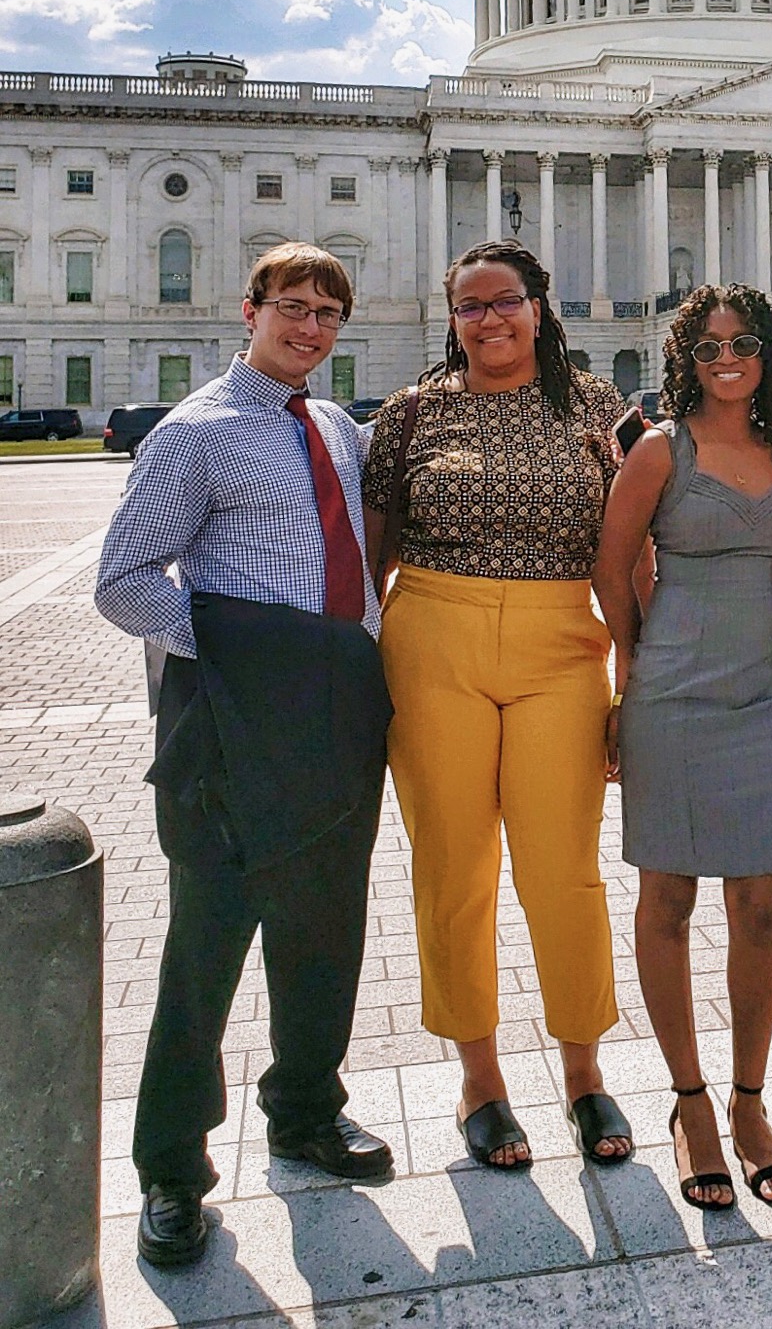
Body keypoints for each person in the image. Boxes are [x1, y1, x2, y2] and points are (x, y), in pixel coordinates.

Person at [96, 244, 395, 1270]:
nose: (309, 327)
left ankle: (306, 1109)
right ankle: (172, 1170)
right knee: (204, 948)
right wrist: (232, 656)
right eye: (293, 308)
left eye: (326, 314)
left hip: (336, 713)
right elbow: (124, 577)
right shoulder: (194, 435)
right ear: (251, 309)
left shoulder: (335, 427)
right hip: (231, 718)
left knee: (325, 928)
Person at [362, 242, 632, 1173]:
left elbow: (631, 557)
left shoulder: (599, 408)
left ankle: (584, 1070)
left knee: (564, 868)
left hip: (563, 641)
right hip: (432, 636)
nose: (489, 320)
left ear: (539, 306)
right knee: (453, 864)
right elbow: (374, 549)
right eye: (470, 306)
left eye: (505, 301)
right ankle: (480, 1078)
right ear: (452, 319)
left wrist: (634, 684)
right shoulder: (410, 414)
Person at [593, 286, 772, 1211]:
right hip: (670, 692)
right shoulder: (657, 449)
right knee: (668, 897)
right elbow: (611, 565)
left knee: (760, 905)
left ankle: (751, 1100)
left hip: (769, 691)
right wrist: (632, 670)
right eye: (710, 342)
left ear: (767, 353)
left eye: (744, 340)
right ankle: (691, 1105)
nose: (728, 355)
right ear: (687, 354)